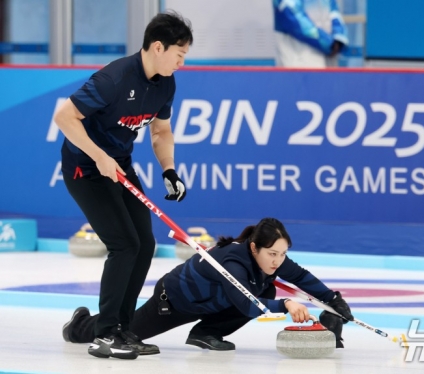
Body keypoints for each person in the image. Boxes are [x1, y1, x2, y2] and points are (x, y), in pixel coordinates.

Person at [54, 11, 193, 360]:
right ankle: (105, 336)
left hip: (119, 166)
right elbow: (64, 117)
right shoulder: (114, 79)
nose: (181, 62)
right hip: (86, 168)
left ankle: (120, 327)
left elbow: (160, 132)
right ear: (158, 47)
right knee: (125, 245)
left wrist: (169, 170)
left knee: (144, 243)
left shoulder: (165, 83)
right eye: (180, 53)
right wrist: (98, 155)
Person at [62, 218, 354, 356]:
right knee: (128, 331)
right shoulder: (233, 263)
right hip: (173, 302)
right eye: (272, 254)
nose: (277, 261)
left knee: (267, 290)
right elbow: (248, 306)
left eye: (282, 254)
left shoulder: (272, 259)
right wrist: (288, 305)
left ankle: (206, 332)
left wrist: (333, 299)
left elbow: (301, 276)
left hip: (211, 303)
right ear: (254, 249)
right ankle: (79, 326)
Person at [272, 0, 349, 68]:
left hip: (328, 62)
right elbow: (293, 17)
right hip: (298, 61)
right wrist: (328, 44)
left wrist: (339, 38)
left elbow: (334, 12)